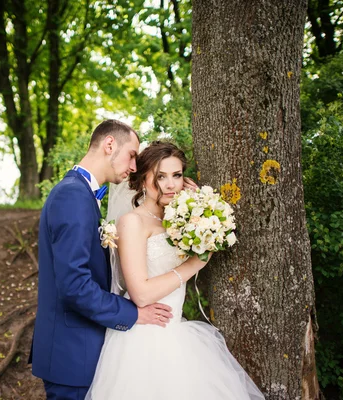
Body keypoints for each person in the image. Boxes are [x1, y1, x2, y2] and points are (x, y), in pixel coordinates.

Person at [85, 140, 265, 399]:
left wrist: (198, 204)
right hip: (144, 339)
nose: (171, 184)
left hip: (177, 332)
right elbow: (142, 294)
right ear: (142, 179)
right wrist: (195, 264)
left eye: (177, 175)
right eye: (160, 176)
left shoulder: (178, 218)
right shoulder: (133, 222)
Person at [31, 121, 178, 400]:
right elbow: (75, 286)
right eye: (132, 155)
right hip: (72, 355)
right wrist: (134, 313)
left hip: (81, 352)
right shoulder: (73, 195)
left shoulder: (80, 193)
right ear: (109, 145)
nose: (134, 166)